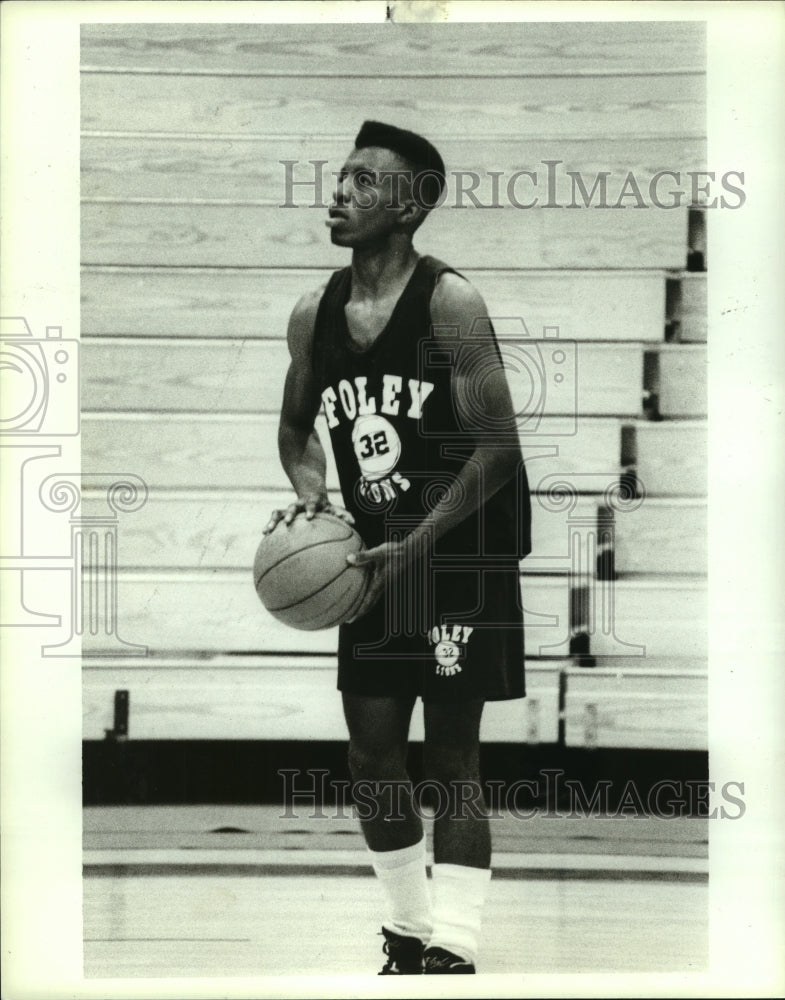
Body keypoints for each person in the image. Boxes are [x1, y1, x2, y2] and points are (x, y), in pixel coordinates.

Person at [264, 121, 531, 974]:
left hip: (460, 556)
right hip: (374, 563)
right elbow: (296, 428)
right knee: (371, 752)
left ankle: (454, 942)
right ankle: (409, 927)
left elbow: (497, 448)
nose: (338, 192)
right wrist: (310, 492)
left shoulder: (450, 301)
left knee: (451, 755)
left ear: (411, 204)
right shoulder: (315, 312)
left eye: (363, 182)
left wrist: (417, 542)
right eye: (338, 177)